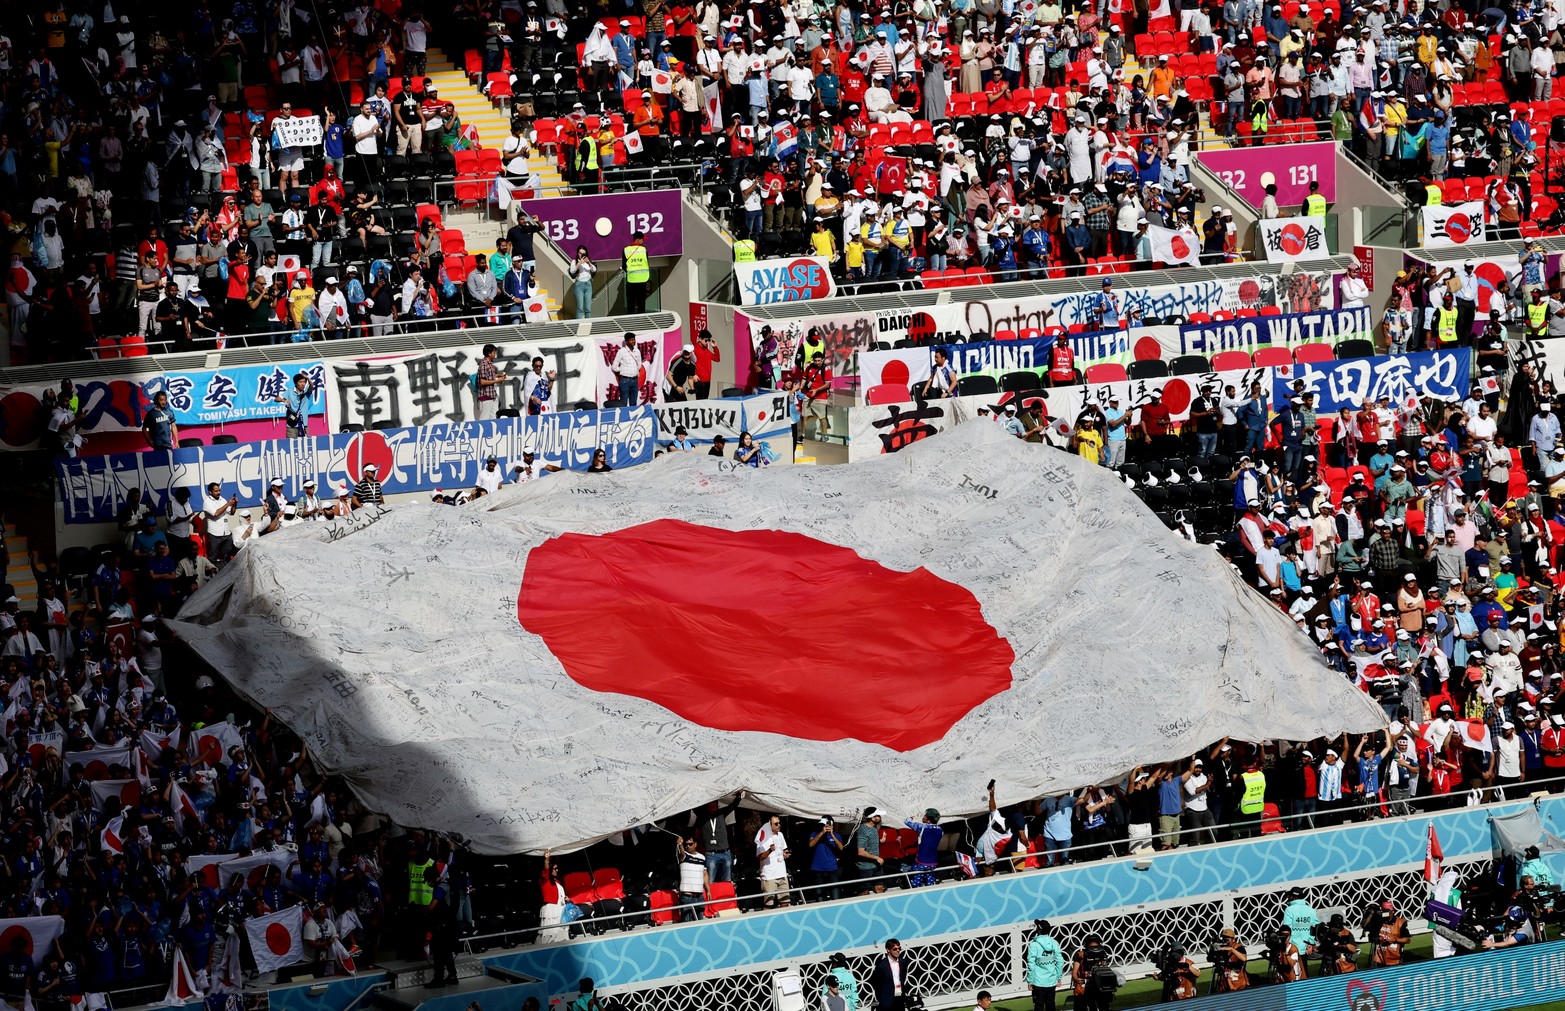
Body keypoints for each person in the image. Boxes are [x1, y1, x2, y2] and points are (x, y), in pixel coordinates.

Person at [1025, 919, 1065, 1011]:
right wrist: (1058, 977)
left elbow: (1031, 965)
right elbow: (1060, 961)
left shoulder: (1034, 945)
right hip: (1051, 981)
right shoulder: (1053, 942)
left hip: (1038, 982)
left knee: (1038, 1006)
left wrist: (1030, 981)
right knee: (1051, 1005)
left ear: (1039, 929)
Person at [869, 938, 915, 1011]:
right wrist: (881, 998)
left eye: (899, 948)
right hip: (886, 1001)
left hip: (900, 998)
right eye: (895, 949)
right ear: (888, 950)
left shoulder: (903, 962)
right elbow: (876, 983)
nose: (898, 951)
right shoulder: (881, 965)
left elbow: (903, 977)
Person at [271, 371, 316, 438]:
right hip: (292, 426)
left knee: (305, 446)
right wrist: (284, 400)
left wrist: (307, 378)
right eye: (300, 382)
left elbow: (311, 386)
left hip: (304, 426)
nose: (303, 384)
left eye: (304, 382)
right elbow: (276, 399)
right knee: (292, 446)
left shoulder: (307, 392)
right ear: (296, 383)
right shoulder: (289, 391)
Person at [476, 343, 508, 421]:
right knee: (485, 418)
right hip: (486, 396)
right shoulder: (484, 364)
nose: (495, 354)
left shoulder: (489, 364)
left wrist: (499, 375)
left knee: (493, 417)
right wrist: (497, 381)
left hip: (492, 395)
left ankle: (492, 432)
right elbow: (482, 382)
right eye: (494, 352)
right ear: (489, 353)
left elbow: (489, 376)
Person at [622, 231, 652, 314]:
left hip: (631, 279)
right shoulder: (644, 249)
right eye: (642, 240)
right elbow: (647, 263)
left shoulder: (626, 250)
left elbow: (624, 266)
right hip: (643, 279)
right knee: (641, 302)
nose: (643, 242)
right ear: (638, 240)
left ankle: (631, 320)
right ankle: (641, 320)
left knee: (630, 301)